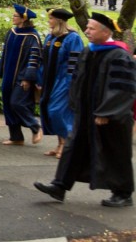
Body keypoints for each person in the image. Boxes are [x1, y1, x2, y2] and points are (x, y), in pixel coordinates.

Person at [34, 12, 136, 208]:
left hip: (111, 116)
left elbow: (122, 89)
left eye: (91, 28)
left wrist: (106, 113)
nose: (86, 31)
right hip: (86, 113)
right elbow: (78, 80)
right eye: (87, 27)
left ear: (106, 32)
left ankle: (123, 193)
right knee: (74, 148)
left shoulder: (119, 55)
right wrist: (75, 103)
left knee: (115, 152)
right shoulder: (90, 51)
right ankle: (59, 186)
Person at [33, 9, 83, 158]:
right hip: (50, 80)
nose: (49, 21)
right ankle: (60, 143)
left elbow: (76, 62)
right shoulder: (51, 37)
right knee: (49, 110)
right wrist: (39, 79)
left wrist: (71, 83)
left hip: (64, 80)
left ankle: (66, 144)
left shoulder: (73, 38)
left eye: (51, 18)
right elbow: (43, 60)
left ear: (59, 21)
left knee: (57, 110)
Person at [0, 4, 42, 145]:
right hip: (9, 75)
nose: (13, 17)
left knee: (17, 103)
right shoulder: (12, 33)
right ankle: (16, 137)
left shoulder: (33, 36)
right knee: (8, 104)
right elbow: (5, 53)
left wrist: (28, 78)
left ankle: (35, 126)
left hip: (22, 77)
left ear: (24, 18)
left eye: (15, 16)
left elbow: (34, 59)